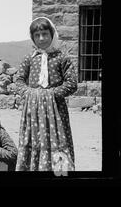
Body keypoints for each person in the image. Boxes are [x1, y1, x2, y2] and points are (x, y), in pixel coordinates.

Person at [15, 17, 77, 171]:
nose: (41, 38)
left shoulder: (62, 58)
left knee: (57, 139)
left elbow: (71, 83)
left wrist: (50, 94)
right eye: (37, 35)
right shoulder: (29, 59)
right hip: (32, 111)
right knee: (34, 139)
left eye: (45, 34)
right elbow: (19, 80)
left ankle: (60, 171)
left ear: (52, 34)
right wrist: (30, 93)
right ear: (32, 37)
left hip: (55, 110)